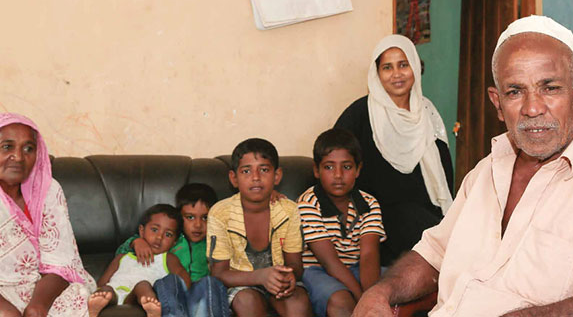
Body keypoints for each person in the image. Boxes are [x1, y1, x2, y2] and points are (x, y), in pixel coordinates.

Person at [353, 15, 573, 317]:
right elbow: (434, 254)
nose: (532, 108)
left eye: (549, 88)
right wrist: (380, 291)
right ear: (498, 104)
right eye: (515, 92)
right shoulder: (485, 172)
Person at [0, 113, 96, 317]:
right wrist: (4, 312)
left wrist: (37, 307)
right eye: (7, 146)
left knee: (77, 298)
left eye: (28, 148)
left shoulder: (47, 191)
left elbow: (60, 266)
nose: (19, 157)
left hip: (38, 289)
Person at [335, 34, 454, 265]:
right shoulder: (360, 114)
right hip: (377, 220)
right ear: (377, 74)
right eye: (387, 67)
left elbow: (444, 169)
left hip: (426, 215)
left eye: (403, 64)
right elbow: (333, 160)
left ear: (415, 68)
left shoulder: (427, 112)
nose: (397, 74)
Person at [207, 138, 312, 317]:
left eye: (264, 170)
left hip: (278, 281)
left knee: (297, 303)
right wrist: (261, 277)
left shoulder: (288, 210)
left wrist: (288, 276)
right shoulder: (220, 213)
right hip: (241, 285)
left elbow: (295, 263)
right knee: (248, 301)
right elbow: (219, 273)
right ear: (234, 178)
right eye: (246, 171)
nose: (255, 178)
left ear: (277, 176)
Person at [298, 128, 386, 317]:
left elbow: (369, 255)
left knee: (403, 284)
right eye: (329, 167)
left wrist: (373, 296)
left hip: (356, 268)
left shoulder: (369, 203)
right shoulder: (308, 203)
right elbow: (330, 263)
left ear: (358, 170)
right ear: (316, 170)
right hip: (317, 271)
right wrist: (363, 299)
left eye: (346, 167)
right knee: (342, 301)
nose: (338, 175)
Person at [117, 183, 229, 317]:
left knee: (212, 283)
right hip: (171, 295)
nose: (198, 225)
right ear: (179, 217)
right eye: (190, 217)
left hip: (200, 296)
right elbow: (122, 255)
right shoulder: (169, 238)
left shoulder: (214, 242)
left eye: (205, 218)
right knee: (170, 280)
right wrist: (135, 242)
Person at [88, 204, 190, 317]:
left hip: (136, 299)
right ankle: (94, 309)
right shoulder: (122, 257)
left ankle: (151, 310)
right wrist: (99, 291)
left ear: (174, 243)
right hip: (114, 294)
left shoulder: (168, 258)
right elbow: (102, 282)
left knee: (143, 286)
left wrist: (187, 297)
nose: (159, 237)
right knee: (107, 289)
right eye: (154, 229)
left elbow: (182, 277)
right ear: (141, 231)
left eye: (168, 234)